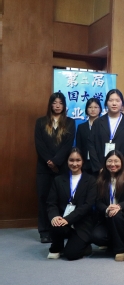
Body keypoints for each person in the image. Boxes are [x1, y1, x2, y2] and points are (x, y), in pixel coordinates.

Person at [35, 92, 76, 243]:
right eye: (54, 103)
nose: (57, 106)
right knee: (44, 199)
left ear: (64, 105)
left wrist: (56, 161)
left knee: (61, 199)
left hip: (62, 166)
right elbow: (39, 144)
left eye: (60, 103)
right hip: (44, 167)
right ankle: (44, 231)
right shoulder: (41, 122)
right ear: (50, 105)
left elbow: (67, 145)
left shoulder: (70, 122)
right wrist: (49, 161)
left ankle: (60, 229)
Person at [46, 148, 96, 260]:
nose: (74, 164)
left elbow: (88, 205)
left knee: (71, 255)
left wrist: (68, 219)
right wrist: (55, 216)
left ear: (83, 161)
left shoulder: (91, 180)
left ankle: (85, 245)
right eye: (71, 160)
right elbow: (51, 203)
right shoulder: (58, 180)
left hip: (82, 223)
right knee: (55, 223)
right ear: (67, 161)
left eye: (78, 160)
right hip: (63, 221)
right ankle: (56, 247)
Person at [91, 150, 124, 261]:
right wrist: (107, 209)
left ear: (122, 163)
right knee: (96, 236)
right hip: (106, 217)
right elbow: (97, 201)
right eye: (109, 161)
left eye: (116, 161)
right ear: (105, 162)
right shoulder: (101, 179)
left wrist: (119, 206)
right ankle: (113, 242)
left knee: (117, 215)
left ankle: (121, 250)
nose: (113, 164)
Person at [89, 89, 124, 174]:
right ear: (106, 103)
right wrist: (98, 168)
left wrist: (123, 167)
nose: (114, 103)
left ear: (122, 104)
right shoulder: (98, 122)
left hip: (122, 171)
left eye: (117, 100)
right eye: (111, 100)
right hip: (101, 169)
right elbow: (91, 145)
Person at [76, 97, 102, 174]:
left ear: (100, 109)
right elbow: (79, 146)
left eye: (96, 107)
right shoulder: (81, 127)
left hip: (100, 163)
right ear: (86, 109)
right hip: (85, 163)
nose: (93, 110)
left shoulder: (105, 126)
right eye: (90, 107)